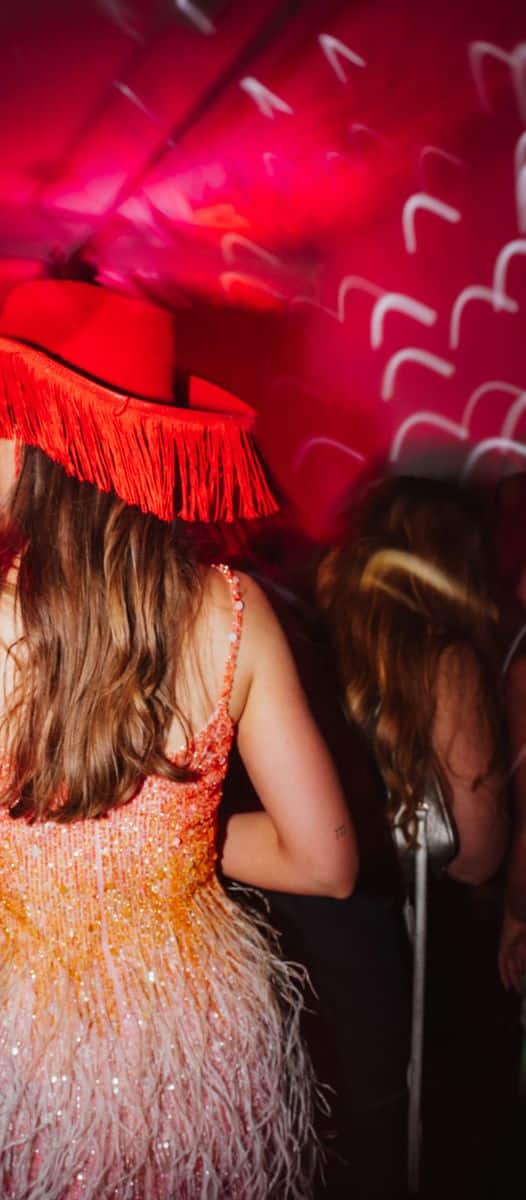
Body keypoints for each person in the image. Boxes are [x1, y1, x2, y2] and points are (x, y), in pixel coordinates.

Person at [0, 280, 357, 1200]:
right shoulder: (232, 612)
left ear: (31, 445)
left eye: (1, 422)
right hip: (199, 1040)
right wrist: (162, 843)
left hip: (32, 1050)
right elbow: (326, 862)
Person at [316, 473, 511, 1199]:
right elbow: (477, 852)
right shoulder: (448, 661)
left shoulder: (315, 637)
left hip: (329, 941)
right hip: (424, 958)